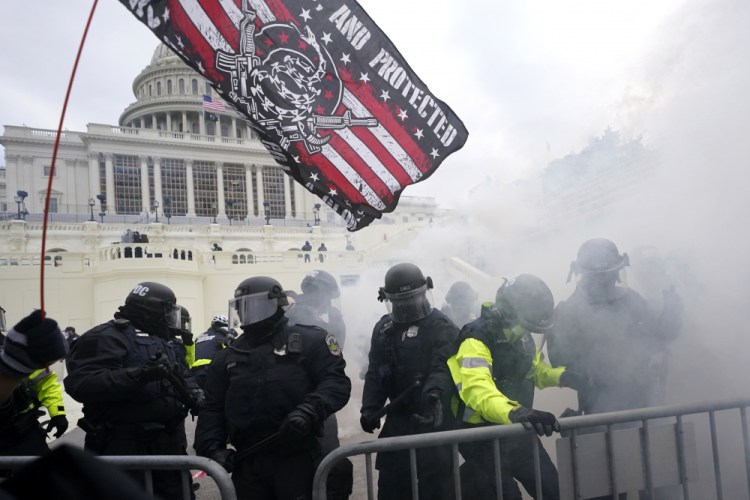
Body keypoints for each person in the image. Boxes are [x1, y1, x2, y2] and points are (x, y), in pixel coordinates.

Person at [194, 276, 351, 500]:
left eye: (255, 308)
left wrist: (309, 410)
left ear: (276, 305)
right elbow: (213, 407)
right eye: (243, 308)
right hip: (249, 462)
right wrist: (211, 447)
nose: (249, 315)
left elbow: (335, 383)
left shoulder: (310, 341)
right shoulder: (227, 357)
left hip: (298, 457)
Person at [448, 274, 586, 500]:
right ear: (511, 312)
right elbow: (478, 389)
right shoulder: (476, 338)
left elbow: (534, 371)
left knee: (554, 491)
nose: (529, 332)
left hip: (517, 431)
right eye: (527, 325)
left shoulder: (520, 335)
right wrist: (515, 411)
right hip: (481, 437)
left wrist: (562, 376)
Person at [64, 281, 203, 500]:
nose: (169, 319)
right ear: (152, 310)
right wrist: (140, 375)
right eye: (167, 312)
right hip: (122, 449)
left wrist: (196, 393)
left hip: (168, 448)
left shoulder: (163, 340)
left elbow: (181, 374)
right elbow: (81, 384)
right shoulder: (105, 336)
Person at [547, 238, 681, 417]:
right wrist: (588, 377)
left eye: (609, 275)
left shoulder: (631, 300)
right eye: (599, 277)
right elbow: (559, 361)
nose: (605, 282)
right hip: (598, 406)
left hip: (642, 400)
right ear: (586, 277)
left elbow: (657, 339)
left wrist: (671, 315)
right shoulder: (569, 311)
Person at [360, 263, 459, 500]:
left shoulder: (442, 326)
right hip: (398, 422)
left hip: (433, 421)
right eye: (399, 300)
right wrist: (370, 408)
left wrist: (434, 396)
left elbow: (443, 367)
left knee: (436, 491)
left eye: (411, 298)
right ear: (388, 299)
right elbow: (375, 372)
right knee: (392, 490)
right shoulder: (384, 329)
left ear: (425, 292)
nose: (406, 305)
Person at [286, 270, 352, 499]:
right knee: (328, 470)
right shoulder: (302, 317)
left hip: (313, 403)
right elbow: (333, 356)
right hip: (311, 404)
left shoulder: (299, 313)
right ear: (321, 292)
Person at [0, 309, 69, 460]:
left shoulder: (12, 346)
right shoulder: (13, 349)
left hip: (26, 432)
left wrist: (57, 413)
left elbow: (46, 382)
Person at [190, 315, 235, 390]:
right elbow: (229, 354)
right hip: (210, 371)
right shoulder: (221, 338)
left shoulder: (199, 337)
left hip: (194, 373)